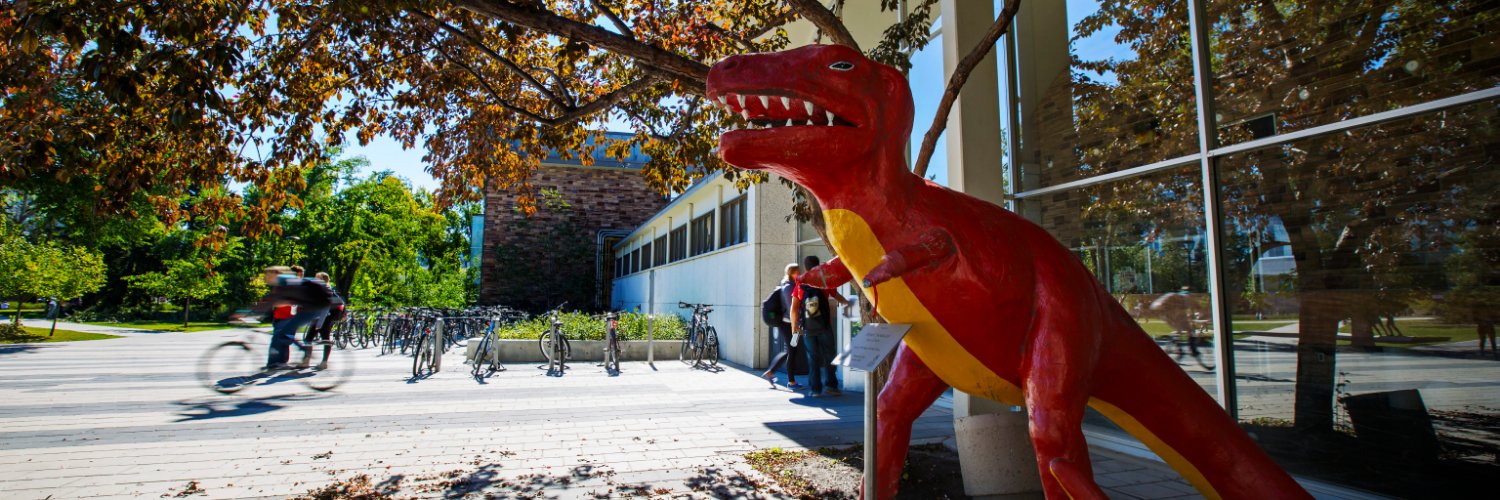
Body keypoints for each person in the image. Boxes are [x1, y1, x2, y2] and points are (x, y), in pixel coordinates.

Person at [245, 266, 342, 371]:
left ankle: (298, 353)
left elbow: (272, 301)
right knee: (284, 333)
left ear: (274, 274)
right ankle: (282, 360)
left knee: (284, 333)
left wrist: (246, 313)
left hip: (313, 309)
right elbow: (276, 301)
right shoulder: (286, 282)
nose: (265, 278)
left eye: (267, 275)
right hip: (310, 308)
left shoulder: (284, 283)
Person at [799, 255, 849, 398]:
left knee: (812, 357)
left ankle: (815, 390)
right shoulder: (824, 280)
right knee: (829, 355)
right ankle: (831, 386)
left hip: (807, 326)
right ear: (819, 265)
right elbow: (837, 296)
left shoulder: (801, 282)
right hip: (824, 325)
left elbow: (795, 305)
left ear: (805, 267)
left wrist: (795, 325)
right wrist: (848, 303)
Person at [760, 263, 806, 390]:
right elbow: (792, 308)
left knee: (790, 351)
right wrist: (796, 326)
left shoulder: (789, 285)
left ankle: (771, 372)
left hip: (791, 324)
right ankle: (791, 382)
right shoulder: (788, 287)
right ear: (791, 273)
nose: (799, 274)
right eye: (797, 272)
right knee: (791, 351)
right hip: (789, 324)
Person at [1151, 286, 1211, 369]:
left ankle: (1177, 347)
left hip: (1159, 308)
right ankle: (1192, 351)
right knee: (1189, 331)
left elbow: (1189, 315)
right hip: (1167, 309)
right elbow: (1195, 313)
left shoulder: (1181, 296)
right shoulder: (1190, 298)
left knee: (1179, 328)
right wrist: (1202, 319)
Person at [298, 272, 345, 369]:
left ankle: (323, 362)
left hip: (325, 319)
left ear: (323, 280)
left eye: (317, 278)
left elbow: (325, 309)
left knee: (324, 339)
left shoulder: (326, 290)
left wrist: (319, 323)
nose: (315, 280)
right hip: (319, 319)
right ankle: (307, 361)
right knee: (309, 339)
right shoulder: (319, 290)